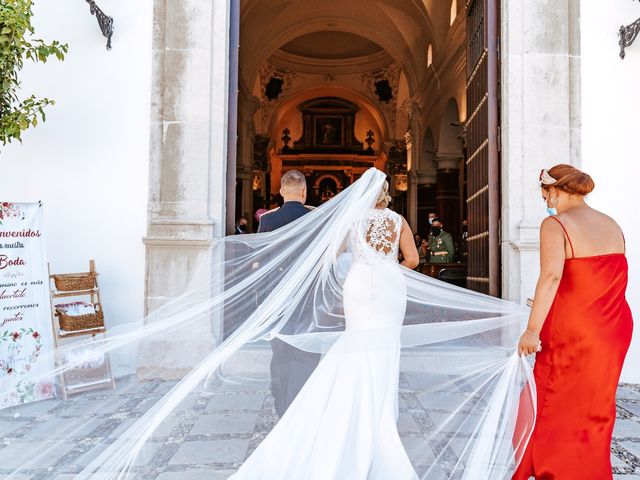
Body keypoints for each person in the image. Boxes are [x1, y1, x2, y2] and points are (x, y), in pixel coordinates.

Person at [230, 180, 422, 479]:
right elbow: (413, 260)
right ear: (387, 193)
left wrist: (360, 269)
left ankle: (351, 411)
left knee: (356, 344)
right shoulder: (398, 221)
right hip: (390, 289)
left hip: (358, 286)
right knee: (385, 349)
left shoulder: (352, 221)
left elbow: (330, 255)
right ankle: (381, 417)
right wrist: (386, 271)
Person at [513, 164, 633, 480]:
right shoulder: (612, 224)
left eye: (544, 195)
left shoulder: (555, 224)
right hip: (613, 328)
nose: (545, 202)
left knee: (555, 403)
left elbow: (551, 276)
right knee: (595, 406)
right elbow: (598, 281)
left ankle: (557, 469)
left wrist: (531, 330)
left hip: (574, 330)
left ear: (555, 190)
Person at [257, 169, 319, 418]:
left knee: (280, 350)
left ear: (282, 191)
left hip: (277, 295)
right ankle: (303, 403)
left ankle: (281, 403)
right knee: (306, 349)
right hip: (307, 294)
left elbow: (261, 259)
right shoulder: (315, 216)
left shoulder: (268, 220)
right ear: (304, 192)